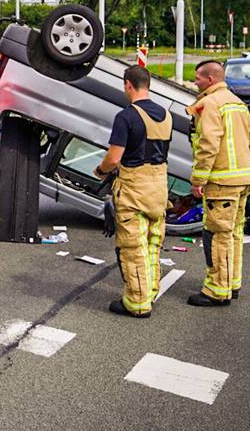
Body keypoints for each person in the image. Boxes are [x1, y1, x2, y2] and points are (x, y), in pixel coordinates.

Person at [93, 65, 171, 318]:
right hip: (159, 186)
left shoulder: (126, 116)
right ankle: (151, 291)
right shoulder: (166, 115)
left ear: (128, 84)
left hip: (134, 188)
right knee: (153, 243)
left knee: (133, 246)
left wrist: (101, 171)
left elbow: (114, 158)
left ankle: (137, 302)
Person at [187, 59, 250, 307]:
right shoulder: (236, 103)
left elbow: (208, 144)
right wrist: (240, 164)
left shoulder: (210, 103)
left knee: (217, 236)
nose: (195, 82)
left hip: (221, 184)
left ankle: (217, 291)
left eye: (197, 78)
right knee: (234, 234)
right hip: (242, 180)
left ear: (210, 79)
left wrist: (199, 179)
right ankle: (232, 283)